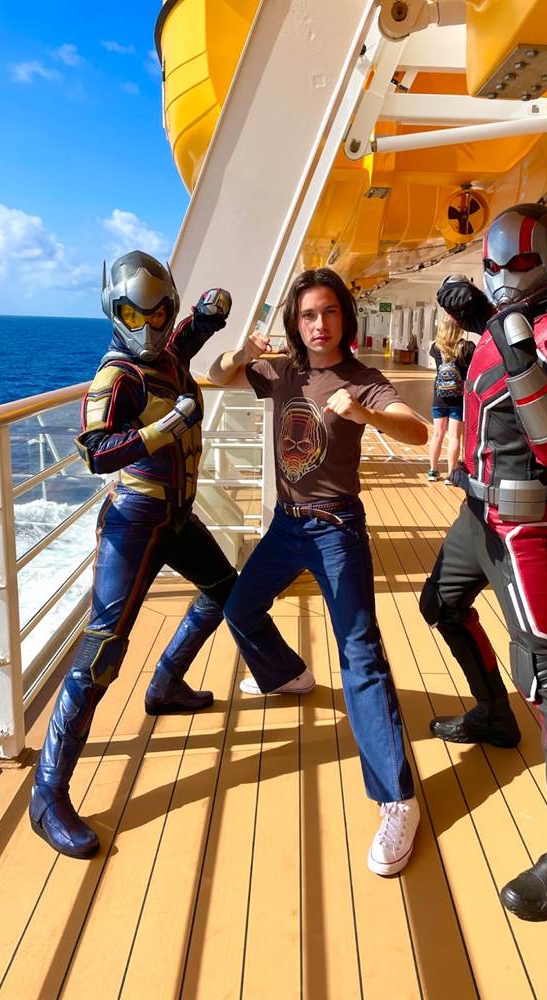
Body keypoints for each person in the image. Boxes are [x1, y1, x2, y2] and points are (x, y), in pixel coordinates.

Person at [208, 267, 428, 876]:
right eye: (308, 314)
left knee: (361, 656)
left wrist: (363, 414)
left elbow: (417, 431)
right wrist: (241, 353)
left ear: (344, 318)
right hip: (286, 526)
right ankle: (289, 674)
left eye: (329, 311)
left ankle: (397, 800)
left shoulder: (363, 379)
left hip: (336, 529)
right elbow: (216, 375)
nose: (319, 323)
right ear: (295, 324)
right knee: (240, 608)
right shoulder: (283, 371)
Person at [29, 251, 238, 859]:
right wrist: (164, 427)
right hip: (135, 520)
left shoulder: (167, 353)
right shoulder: (116, 376)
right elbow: (96, 451)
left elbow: (188, 335)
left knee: (227, 592)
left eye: (158, 314)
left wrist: (211, 310)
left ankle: (166, 682)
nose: (147, 326)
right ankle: (47, 793)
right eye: (131, 314)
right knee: (101, 652)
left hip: (176, 516)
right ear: (114, 313)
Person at [425, 204, 547, 921]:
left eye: (520, 263)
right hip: (476, 512)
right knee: (440, 605)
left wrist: (501, 330)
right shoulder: (517, 320)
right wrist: (487, 328)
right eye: (493, 265)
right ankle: (494, 714)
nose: (503, 277)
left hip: (522, 522)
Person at [427, 303, 475, 483]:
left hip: (439, 397)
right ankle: (451, 474)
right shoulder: (467, 347)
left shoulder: (435, 348)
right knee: (455, 436)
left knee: (437, 435)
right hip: (458, 398)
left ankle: (433, 471)